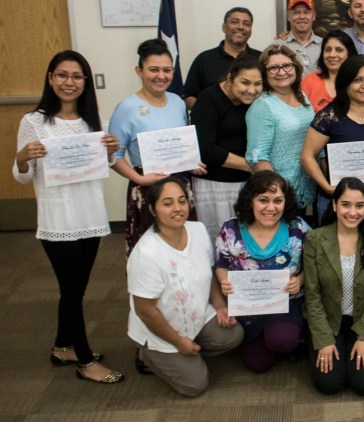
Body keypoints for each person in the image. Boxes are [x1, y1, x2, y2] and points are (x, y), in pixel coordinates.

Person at [13, 50, 124, 384]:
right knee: (72, 290)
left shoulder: (94, 121)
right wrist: (21, 157)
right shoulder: (33, 122)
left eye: (76, 77)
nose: (69, 82)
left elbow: (104, 165)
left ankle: (64, 346)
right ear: (50, 79)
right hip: (57, 219)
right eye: (62, 75)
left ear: (85, 82)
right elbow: (22, 175)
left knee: (76, 287)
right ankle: (85, 360)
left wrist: (109, 150)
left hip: (89, 215)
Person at [128, 178, 243, 397]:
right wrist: (179, 342)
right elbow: (145, 310)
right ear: (152, 209)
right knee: (195, 385)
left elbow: (209, 273)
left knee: (234, 335)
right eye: (168, 203)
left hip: (196, 316)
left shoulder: (198, 230)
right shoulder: (146, 253)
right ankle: (147, 355)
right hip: (160, 329)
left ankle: (189, 351)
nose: (178, 209)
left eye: (182, 201)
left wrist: (219, 306)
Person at [110, 39, 200, 257]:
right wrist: (139, 179)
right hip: (148, 187)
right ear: (139, 71)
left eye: (167, 70)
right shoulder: (127, 108)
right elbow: (113, 155)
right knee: (151, 252)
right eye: (154, 70)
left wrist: (191, 161)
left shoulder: (177, 101)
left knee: (185, 247)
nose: (161, 76)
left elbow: (180, 143)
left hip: (181, 185)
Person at [303, 177, 364, 395]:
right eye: (345, 204)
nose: (352, 212)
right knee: (328, 384)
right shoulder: (315, 239)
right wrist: (323, 340)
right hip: (329, 320)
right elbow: (312, 296)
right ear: (334, 205)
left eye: (359, 206)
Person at [214, 172, 310, 373]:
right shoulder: (230, 229)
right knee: (258, 364)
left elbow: (316, 265)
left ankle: (286, 336)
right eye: (263, 200)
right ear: (250, 201)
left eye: (278, 201)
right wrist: (224, 281)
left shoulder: (298, 227)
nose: (271, 207)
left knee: (282, 340)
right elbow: (221, 265)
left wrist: (300, 280)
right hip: (248, 307)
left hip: (286, 304)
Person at [301, 55, 364, 226]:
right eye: (357, 80)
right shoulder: (329, 117)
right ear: (345, 83)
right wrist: (326, 187)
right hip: (338, 206)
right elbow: (307, 156)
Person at [191, 55, 262, 238]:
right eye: (245, 83)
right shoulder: (208, 99)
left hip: (247, 184)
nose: (251, 90)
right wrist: (249, 165)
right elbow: (205, 149)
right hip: (216, 186)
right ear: (230, 79)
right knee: (220, 241)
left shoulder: (258, 102)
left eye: (257, 84)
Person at [246, 44, 316, 211]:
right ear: (264, 72)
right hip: (279, 194)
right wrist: (274, 195)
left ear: (295, 67)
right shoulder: (263, 105)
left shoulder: (302, 96)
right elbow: (258, 157)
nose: (282, 72)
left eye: (286, 65)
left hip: (305, 186)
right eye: (273, 68)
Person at [183, 7, 261, 109]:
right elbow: (189, 96)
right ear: (224, 27)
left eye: (246, 24)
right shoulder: (204, 59)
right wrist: (206, 111)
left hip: (253, 123)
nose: (241, 27)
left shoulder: (260, 59)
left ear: (250, 30)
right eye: (235, 22)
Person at [301, 30, 358, 113]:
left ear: (349, 54)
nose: (332, 55)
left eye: (339, 50)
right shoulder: (309, 81)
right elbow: (300, 116)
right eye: (328, 50)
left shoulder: (360, 80)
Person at [276, 0, 322, 73]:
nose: (301, 16)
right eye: (296, 12)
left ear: (313, 16)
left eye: (306, 12)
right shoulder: (278, 46)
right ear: (288, 16)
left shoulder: (324, 46)